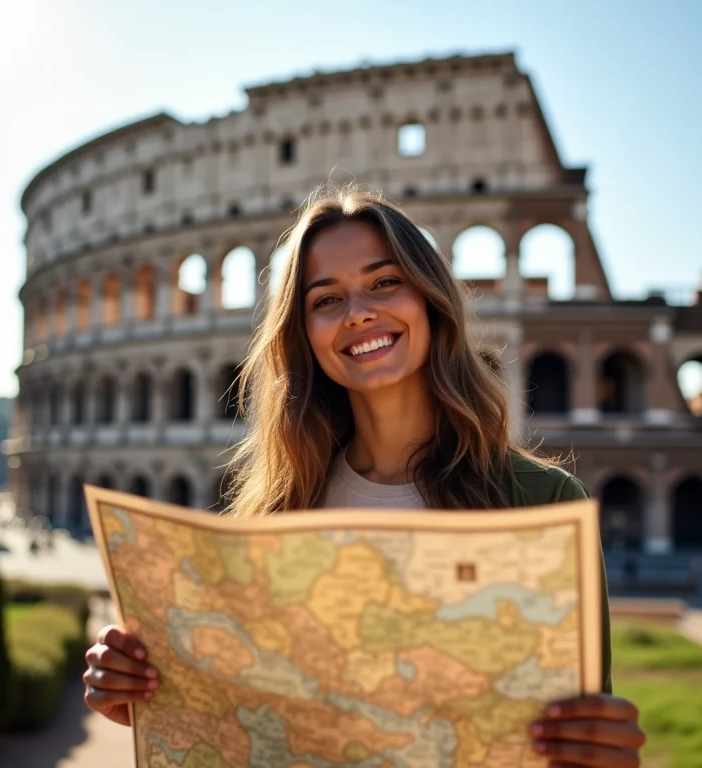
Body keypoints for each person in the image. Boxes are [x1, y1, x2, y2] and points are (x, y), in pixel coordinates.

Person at [84, 185, 646, 766]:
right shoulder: (275, 514)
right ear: (305, 336)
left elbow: (575, 730)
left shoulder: (543, 501)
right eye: (326, 300)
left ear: (430, 299)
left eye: (385, 282)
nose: (358, 313)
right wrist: (143, 691)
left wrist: (603, 751)